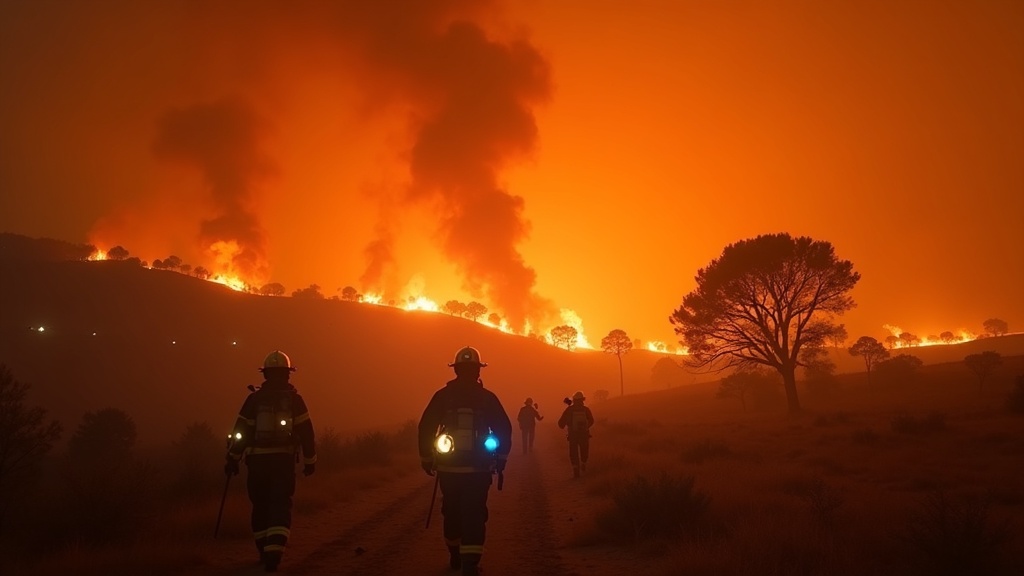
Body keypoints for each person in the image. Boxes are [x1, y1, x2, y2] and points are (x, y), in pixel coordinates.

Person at [418, 346, 512, 576]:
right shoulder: (487, 398)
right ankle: (470, 564)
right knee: (475, 513)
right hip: (479, 469)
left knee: (451, 510)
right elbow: (504, 428)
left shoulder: (442, 396)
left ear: (456, 370)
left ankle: (455, 554)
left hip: (449, 469)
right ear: (478, 371)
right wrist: (500, 459)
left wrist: (427, 458)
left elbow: (426, 427)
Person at [225, 350, 317, 573]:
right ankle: (275, 552)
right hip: (283, 463)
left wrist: (233, 459)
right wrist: (309, 461)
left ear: (265, 374)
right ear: (288, 374)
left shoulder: (253, 400)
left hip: (256, 463)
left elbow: (240, 432)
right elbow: (307, 433)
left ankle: (263, 549)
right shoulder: (295, 400)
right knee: (280, 503)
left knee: (260, 505)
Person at [557, 390, 594, 478]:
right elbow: (592, 420)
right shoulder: (586, 409)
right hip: (584, 434)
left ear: (574, 400)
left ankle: (575, 469)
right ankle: (583, 462)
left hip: (573, 435)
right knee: (584, 450)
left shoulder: (569, 410)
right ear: (583, 400)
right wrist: (586, 427)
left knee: (573, 452)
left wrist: (565, 425)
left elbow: (560, 423)